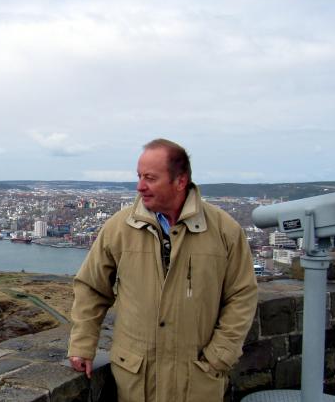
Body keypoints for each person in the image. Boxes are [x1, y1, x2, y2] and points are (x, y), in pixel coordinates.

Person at [68, 138, 258, 402]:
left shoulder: (224, 230)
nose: (139, 186)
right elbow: (91, 287)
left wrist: (220, 355)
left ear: (180, 181)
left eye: (150, 178)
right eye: (139, 176)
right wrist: (82, 344)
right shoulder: (119, 228)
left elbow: (242, 295)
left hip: (198, 380)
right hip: (136, 379)